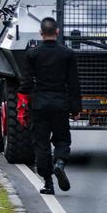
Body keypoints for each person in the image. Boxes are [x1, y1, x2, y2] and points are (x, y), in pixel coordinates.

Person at [23, 17, 81, 195]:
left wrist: (28, 98)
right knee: (62, 139)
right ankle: (60, 163)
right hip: (60, 104)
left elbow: (26, 82)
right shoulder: (67, 54)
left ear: (41, 33)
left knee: (41, 144)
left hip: (39, 104)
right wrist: (76, 108)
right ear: (57, 31)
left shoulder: (32, 54)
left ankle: (48, 183)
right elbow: (73, 83)